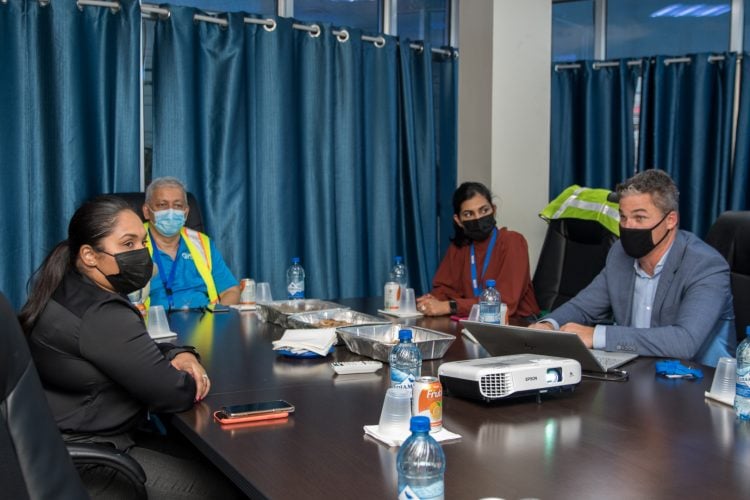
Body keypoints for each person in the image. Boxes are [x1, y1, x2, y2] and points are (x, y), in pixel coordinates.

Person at [19, 196, 241, 498]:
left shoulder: (71, 289)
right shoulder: (103, 314)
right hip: (89, 461)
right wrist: (192, 376)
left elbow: (129, 351)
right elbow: (173, 393)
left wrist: (180, 353)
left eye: (141, 243)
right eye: (127, 244)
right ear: (89, 255)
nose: (141, 253)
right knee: (231, 487)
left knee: (214, 462)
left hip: (59, 443)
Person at [531, 169, 735, 367]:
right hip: (637, 373)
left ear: (670, 220)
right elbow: (583, 307)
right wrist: (549, 325)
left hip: (698, 383)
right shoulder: (620, 254)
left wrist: (596, 335)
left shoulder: (705, 265)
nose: (628, 227)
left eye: (640, 218)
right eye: (623, 217)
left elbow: (684, 341)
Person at [416, 181, 540, 321]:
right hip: (475, 320)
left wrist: (450, 306)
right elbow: (444, 289)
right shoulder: (460, 247)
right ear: (458, 220)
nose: (478, 218)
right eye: (469, 214)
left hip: (517, 323)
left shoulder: (513, 242)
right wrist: (431, 300)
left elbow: (506, 303)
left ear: (494, 209)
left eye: (484, 210)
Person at [142, 177, 239, 309]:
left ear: (186, 213)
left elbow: (231, 291)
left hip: (203, 322)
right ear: (147, 211)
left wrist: (216, 319)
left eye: (177, 205)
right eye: (162, 205)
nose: (171, 212)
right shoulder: (131, 244)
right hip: (155, 325)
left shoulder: (201, 243)